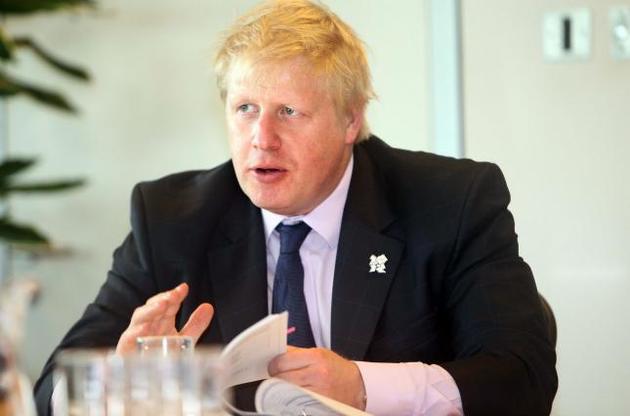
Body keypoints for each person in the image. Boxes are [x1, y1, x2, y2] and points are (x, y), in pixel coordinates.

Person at [33, 0, 558, 415]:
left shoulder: (450, 203)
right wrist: (114, 381)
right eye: (245, 109)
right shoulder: (170, 219)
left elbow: (522, 379)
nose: (262, 139)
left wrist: (361, 386)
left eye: (288, 111)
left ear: (350, 120)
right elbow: (48, 391)